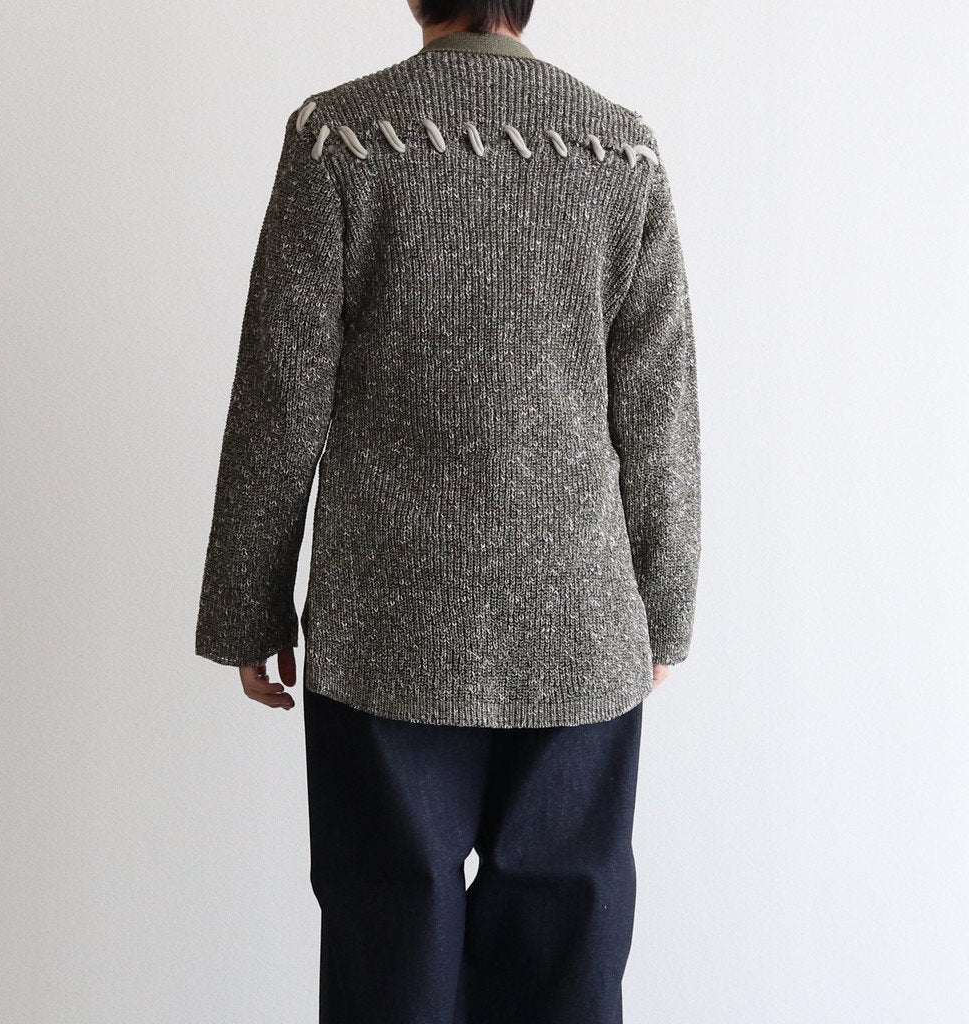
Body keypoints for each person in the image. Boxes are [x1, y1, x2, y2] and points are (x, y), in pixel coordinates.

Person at [195, 1, 701, 1020]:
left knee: (391, 952)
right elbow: (660, 410)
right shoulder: (621, 151)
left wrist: (248, 605)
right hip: (578, 630)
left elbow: (281, 394)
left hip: (387, 630)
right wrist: (662, 607)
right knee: (564, 962)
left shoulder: (339, 138)